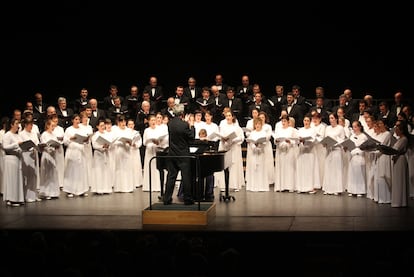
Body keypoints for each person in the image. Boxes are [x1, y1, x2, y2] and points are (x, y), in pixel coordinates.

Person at [162, 104, 195, 205]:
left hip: (172, 154)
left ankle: (167, 198)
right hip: (183, 154)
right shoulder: (184, 125)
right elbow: (191, 137)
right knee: (186, 177)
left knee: (171, 176)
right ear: (182, 113)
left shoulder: (170, 124)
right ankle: (188, 199)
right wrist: (191, 125)